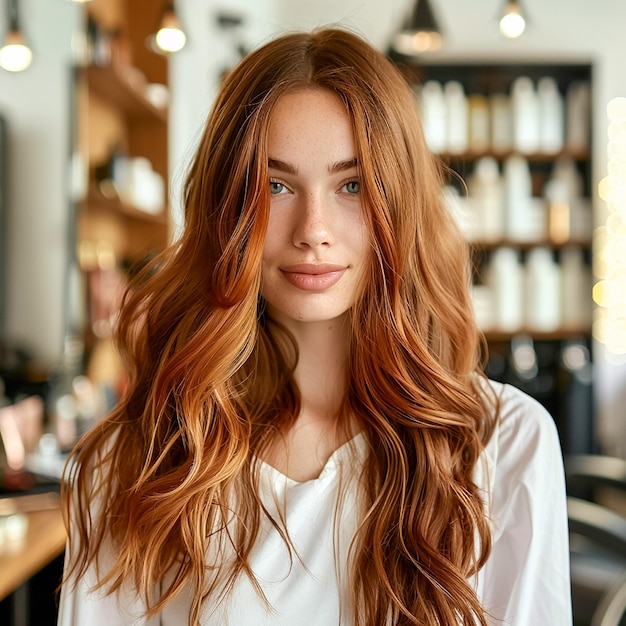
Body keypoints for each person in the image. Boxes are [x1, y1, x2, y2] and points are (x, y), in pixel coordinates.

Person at [58, 28, 572, 626]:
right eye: (275, 186)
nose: (313, 229)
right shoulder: (136, 464)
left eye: (351, 185)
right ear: (227, 209)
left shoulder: (503, 446)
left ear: (399, 204)